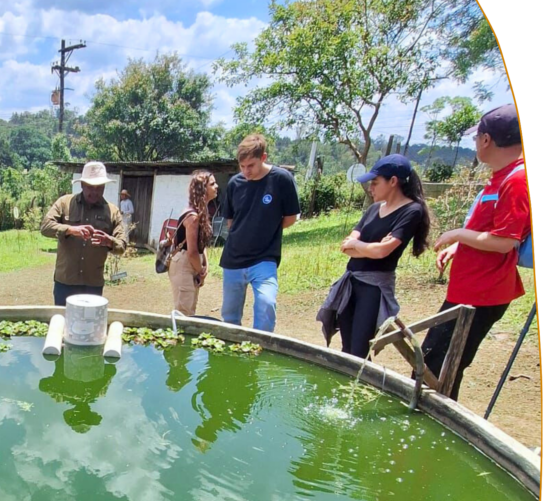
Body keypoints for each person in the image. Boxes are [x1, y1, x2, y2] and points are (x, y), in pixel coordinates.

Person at [420, 105, 529, 401]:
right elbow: (492, 229)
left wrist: (458, 234)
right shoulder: (500, 176)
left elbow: (506, 241)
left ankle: (440, 431)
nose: (475, 144)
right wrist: (461, 246)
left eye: (476, 138)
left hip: (483, 293)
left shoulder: (517, 180)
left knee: (440, 367)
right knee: (435, 362)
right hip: (469, 288)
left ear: (486, 140)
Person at [316, 155, 431, 358]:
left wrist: (360, 246)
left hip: (374, 288)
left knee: (360, 348)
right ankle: (346, 387)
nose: (371, 188)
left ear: (393, 181)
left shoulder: (411, 211)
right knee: (346, 346)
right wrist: (368, 246)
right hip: (351, 283)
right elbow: (347, 246)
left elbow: (383, 252)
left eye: (375, 183)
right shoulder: (373, 209)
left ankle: (358, 386)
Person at [218, 134, 300, 332]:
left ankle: (260, 355)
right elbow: (231, 221)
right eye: (242, 166)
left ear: (264, 158)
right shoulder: (234, 184)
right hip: (233, 259)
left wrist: (264, 227)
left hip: (264, 258)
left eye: (251, 166)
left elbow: (290, 218)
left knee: (266, 304)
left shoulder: (281, 180)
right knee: (229, 316)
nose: (246, 171)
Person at [41, 162, 128, 307]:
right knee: (63, 324)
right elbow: (45, 227)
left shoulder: (112, 212)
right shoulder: (64, 203)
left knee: (91, 326)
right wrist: (70, 230)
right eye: (90, 187)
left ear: (104, 187)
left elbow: (122, 245)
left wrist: (109, 242)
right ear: (81, 185)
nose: (94, 192)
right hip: (65, 282)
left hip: (92, 285)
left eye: (99, 188)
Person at [167, 170, 217, 317]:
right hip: (184, 263)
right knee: (183, 313)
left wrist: (204, 266)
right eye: (212, 184)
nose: (217, 186)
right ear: (202, 189)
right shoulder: (193, 216)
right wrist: (200, 270)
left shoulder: (202, 212)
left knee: (190, 310)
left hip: (194, 263)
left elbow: (202, 245)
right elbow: (192, 250)